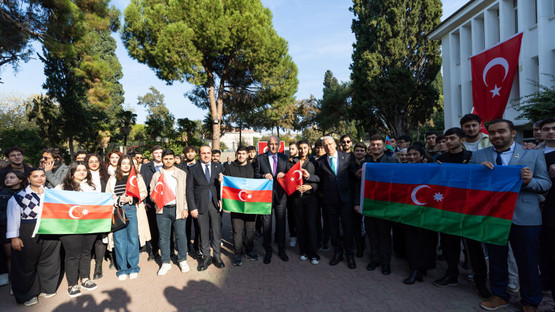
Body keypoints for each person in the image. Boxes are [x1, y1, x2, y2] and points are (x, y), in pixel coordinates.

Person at [471, 119, 551, 312]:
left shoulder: (533, 153)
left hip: (525, 217)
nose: (497, 136)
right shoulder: (478, 156)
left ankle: (530, 301)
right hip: (493, 216)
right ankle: (499, 295)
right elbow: (470, 185)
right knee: (497, 260)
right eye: (492, 133)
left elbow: (545, 184)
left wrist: (529, 181)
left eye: (501, 132)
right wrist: (478, 174)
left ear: (513, 133)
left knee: (528, 262)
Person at [434, 128, 491, 299]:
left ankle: (480, 282)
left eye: (452, 138)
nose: (448, 142)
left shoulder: (472, 157)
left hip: (469, 210)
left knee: (474, 247)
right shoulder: (440, 160)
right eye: (446, 139)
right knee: (450, 245)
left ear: (462, 139)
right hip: (448, 209)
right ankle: (451, 275)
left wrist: (482, 169)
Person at [7, 168, 61, 306]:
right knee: (25, 265)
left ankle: (47, 288)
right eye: (35, 176)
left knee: (50, 260)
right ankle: (27, 294)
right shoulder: (19, 196)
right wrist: (14, 238)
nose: (39, 178)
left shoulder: (52, 194)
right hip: (27, 230)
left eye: (42, 175)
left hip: (50, 229)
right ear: (28, 179)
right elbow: (13, 217)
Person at [55, 162, 99, 297]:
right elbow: (54, 205)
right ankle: (72, 284)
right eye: (78, 170)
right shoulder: (61, 187)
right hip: (69, 227)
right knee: (73, 255)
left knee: (86, 252)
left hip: (88, 225)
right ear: (72, 172)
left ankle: (85, 279)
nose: (82, 172)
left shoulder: (91, 187)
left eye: (84, 170)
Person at [357, 135, 399, 275]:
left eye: (378, 145)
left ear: (383, 146)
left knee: (385, 236)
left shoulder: (392, 161)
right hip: (369, 205)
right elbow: (359, 184)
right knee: (372, 235)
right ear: (370, 147)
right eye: (373, 144)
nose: (375, 147)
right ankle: (375, 260)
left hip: (385, 206)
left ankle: (386, 263)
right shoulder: (365, 162)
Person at [106, 155, 149, 279]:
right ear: (119, 165)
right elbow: (108, 194)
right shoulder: (113, 178)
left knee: (133, 238)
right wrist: (118, 199)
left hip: (132, 209)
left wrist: (131, 198)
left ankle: (133, 267)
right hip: (118, 210)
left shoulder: (137, 177)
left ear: (132, 165)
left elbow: (143, 192)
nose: (126, 165)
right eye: (123, 163)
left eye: (128, 163)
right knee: (119, 240)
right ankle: (122, 269)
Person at [316, 136, 356, 269]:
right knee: (333, 228)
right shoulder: (320, 161)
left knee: (347, 228)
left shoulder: (347, 157)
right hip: (330, 201)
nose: (328, 147)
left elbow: (353, 176)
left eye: (330, 144)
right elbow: (319, 179)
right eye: (325, 145)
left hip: (345, 200)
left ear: (335, 144)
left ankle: (350, 255)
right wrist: (308, 177)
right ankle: (338, 253)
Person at [149, 150, 189, 275]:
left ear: (174, 159)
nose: (168, 161)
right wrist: (155, 198)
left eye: (170, 158)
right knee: (164, 237)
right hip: (162, 210)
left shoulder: (182, 174)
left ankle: (182, 259)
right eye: (166, 159)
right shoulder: (157, 175)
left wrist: (185, 208)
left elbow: (186, 193)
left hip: (178, 208)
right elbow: (151, 193)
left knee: (181, 235)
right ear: (162, 160)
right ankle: (165, 262)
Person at [402, 145, 437, 284]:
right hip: (410, 211)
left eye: (414, 154)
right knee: (412, 240)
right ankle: (415, 269)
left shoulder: (433, 168)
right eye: (409, 154)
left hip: (428, 210)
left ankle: (424, 267)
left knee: (428, 239)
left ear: (422, 156)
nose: (411, 157)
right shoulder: (403, 169)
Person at [253, 136, 290, 264]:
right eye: (271, 144)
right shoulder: (260, 158)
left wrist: (285, 175)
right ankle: (267, 251)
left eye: (276, 144)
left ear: (279, 146)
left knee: (281, 224)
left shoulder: (285, 158)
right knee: (266, 225)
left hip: (280, 196)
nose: (273, 146)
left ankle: (281, 250)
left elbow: (290, 174)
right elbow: (255, 175)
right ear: (267, 145)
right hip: (265, 197)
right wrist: (263, 176)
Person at [187, 146, 224, 271]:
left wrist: (221, 198)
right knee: (203, 233)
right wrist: (192, 207)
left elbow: (224, 186)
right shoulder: (192, 169)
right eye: (204, 153)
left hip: (215, 204)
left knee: (217, 231)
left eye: (208, 153)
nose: (206, 155)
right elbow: (189, 190)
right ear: (199, 154)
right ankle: (206, 257)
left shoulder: (218, 167)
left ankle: (217, 256)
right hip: (200, 205)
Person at [284, 140, 320, 264]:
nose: (302, 150)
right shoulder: (291, 162)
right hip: (297, 199)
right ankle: (303, 251)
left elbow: (320, 179)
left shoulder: (315, 162)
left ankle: (313, 254)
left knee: (311, 225)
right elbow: (288, 179)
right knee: (300, 225)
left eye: (305, 148)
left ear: (309, 149)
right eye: (300, 148)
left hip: (311, 198)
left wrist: (310, 186)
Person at [224, 147, 258, 266]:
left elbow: (259, 180)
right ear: (235, 154)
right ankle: (238, 253)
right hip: (236, 205)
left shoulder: (253, 167)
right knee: (237, 231)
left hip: (251, 205)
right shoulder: (229, 167)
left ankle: (249, 250)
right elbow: (224, 183)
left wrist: (266, 177)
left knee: (250, 230)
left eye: (243, 154)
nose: (241, 156)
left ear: (248, 155)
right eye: (239, 154)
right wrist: (220, 179)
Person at [85, 154, 111, 279]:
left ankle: (98, 267)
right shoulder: (82, 175)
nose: (94, 163)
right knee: (88, 239)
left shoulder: (107, 177)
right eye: (91, 161)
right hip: (86, 213)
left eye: (96, 161)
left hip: (102, 212)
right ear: (87, 163)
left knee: (100, 238)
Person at [539, 117, 555, 309]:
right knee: (546, 252)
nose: (551, 132)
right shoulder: (534, 152)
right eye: (546, 129)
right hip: (544, 211)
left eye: (554, 128)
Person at [0, 171, 26, 287]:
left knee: (24, 256)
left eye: (11, 177)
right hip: (6, 229)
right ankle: (14, 283)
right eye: (6, 178)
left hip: (24, 229)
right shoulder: (2, 194)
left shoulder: (27, 193)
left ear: (20, 180)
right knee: (11, 256)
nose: (8, 179)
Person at [140, 145, 164, 261]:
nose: (159, 154)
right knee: (153, 227)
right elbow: (142, 184)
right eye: (156, 153)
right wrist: (144, 201)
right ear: (152, 154)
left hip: (166, 201)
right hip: (151, 202)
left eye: (160, 152)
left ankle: (167, 250)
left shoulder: (168, 165)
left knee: (165, 228)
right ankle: (154, 251)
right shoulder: (145, 167)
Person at [178, 145, 201, 256]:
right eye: (188, 152)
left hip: (197, 200)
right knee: (185, 226)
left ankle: (197, 246)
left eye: (192, 152)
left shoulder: (201, 166)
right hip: (183, 200)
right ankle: (186, 246)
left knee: (198, 225)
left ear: (196, 153)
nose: (190, 154)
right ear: (184, 154)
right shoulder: (179, 167)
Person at [351, 142, 368, 258]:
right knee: (355, 226)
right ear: (354, 152)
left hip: (366, 199)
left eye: (362, 150)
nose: (359, 152)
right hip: (352, 199)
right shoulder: (349, 164)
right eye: (357, 150)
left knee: (365, 227)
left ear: (365, 152)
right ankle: (358, 248)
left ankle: (363, 246)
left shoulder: (369, 164)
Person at [312, 138, 329, 251]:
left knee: (327, 219)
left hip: (327, 194)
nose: (319, 150)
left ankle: (325, 241)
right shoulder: (312, 160)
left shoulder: (327, 160)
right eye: (317, 148)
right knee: (316, 219)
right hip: (315, 194)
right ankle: (317, 239)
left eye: (321, 148)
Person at [287, 142, 299, 248]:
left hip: (302, 195)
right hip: (290, 195)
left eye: (293, 149)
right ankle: (293, 236)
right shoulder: (287, 161)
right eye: (290, 149)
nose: (291, 151)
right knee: (291, 216)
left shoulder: (302, 161)